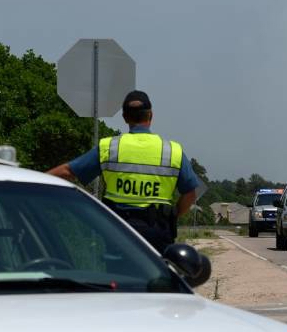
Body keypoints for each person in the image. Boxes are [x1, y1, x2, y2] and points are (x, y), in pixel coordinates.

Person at [47, 90, 202, 253]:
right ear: (150, 115)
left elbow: (68, 171)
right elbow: (190, 194)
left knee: (118, 269)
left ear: (125, 117)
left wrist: (30, 184)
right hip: (157, 235)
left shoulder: (109, 148)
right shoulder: (172, 151)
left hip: (117, 233)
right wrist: (172, 217)